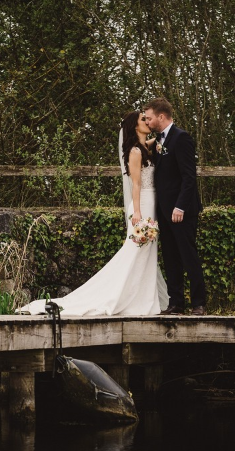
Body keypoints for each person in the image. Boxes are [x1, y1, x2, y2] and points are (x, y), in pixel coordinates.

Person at [17, 111, 168, 316]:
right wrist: (138, 212)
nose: (147, 122)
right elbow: (136, 184)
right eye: (143, 119)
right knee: (136, 252)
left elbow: (157, 140)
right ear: (134, 126)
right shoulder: (135, 152)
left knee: (147, 253)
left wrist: (161, 137)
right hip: (142, 205)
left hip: (152, 203)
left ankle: (144, 298)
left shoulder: (144, 147)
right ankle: (124, 297)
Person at [143, 98, 207, 316]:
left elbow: (189, 177)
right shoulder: (159, 140)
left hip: (182, 211)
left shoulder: (181, 138)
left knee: (188, 256)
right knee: (170, 258)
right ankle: (176, 303)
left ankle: (198, 304)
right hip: (164, 211)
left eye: (149, 118)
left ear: (161, 116)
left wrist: (180, 207)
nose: (147, 121)